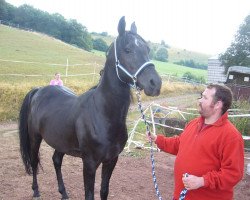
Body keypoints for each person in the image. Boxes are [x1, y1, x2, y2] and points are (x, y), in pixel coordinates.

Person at [149, 84, 244, 200]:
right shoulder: (194, 123)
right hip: (181, 196)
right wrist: (158, 139)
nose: (200, 100)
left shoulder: (231, 136)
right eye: (201, 96)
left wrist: (203, 181)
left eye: (204, 98)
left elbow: (233, 173)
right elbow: (180, 144)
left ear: (217, 105)